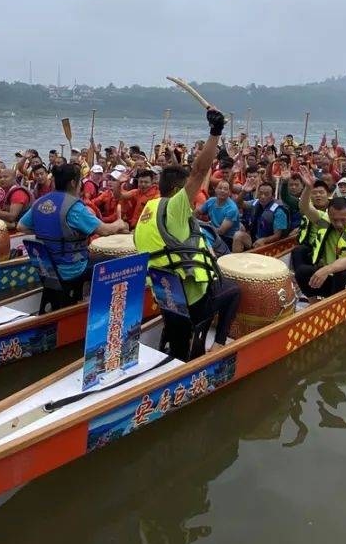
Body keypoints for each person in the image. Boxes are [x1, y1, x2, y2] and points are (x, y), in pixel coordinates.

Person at [133, 107, 240, 361]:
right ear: (178, 190)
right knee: (233, 291)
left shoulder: (148, 209)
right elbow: (199, 171)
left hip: (166, 296)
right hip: (192, 298)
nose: (191, 198)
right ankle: (219, 344)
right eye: (187, 192)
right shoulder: (175, 208)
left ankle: (175, 340)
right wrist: (215, 132)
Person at [18, 163, 128, 303]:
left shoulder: (40, 202)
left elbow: (21, 226)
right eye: (80, 180)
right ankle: (101, 305)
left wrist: (48, 231)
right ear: (73, 182)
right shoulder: (74, 207)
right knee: (120, 262)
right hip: (71, 268)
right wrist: (119, 224)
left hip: (47, 267)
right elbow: (105, 231)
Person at [295, 172, 346, 296]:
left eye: (343, 220)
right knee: (302, 272)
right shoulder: (324, 219)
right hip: (329, 275)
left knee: (342, 274)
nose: (339, 224)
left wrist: (327, 269)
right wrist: (308, 188)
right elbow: (305, 208)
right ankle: (313, 304)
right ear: (329, 215)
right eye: (335, 220)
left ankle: (335, 308)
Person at [290, 178, 331, 292]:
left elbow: (305, 208)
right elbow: (304, 206)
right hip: (309, 247)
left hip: (326, 248)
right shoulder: (309, 206)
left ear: (328, 194)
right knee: (298, 250)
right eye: (314, 193)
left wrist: (308, 187)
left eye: (321, 192)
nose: (318, 195)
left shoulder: (333, 211)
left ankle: (307, 286)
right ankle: (300, 283)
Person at [232, 182, 288, 252]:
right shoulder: (256, 202)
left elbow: (277, 236)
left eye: (266, 194)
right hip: (254, 238)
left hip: (269, 243)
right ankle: (236, 261)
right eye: (260, 193)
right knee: (238, 235)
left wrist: (264, 240)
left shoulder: (279, 211)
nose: (262, 196)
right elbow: (239, 204)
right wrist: (244, 192)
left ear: (272, 196)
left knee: (258, 244)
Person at [196, 180, 240, 252]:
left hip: (227, 238)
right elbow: (197, 212)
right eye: (220, 188)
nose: (222, 191)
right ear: (215, 190)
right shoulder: (210, 201)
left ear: (229, 193)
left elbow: (221, 231)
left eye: (225, 189)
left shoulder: (232, 208)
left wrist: (205, 227)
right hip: (214, 233)